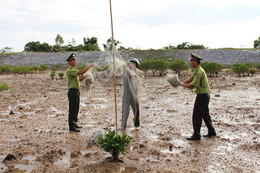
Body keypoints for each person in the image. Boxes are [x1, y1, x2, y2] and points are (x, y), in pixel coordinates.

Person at [180, 53, 216, 140]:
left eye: (192, 61)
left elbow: (192, 85)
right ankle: (212, 132)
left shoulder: (199, 72)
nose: (190, 62)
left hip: (202, 96)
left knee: (197, 115)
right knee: (205, 115)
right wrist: (179, 82)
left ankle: (197, 135)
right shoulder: (197, 70)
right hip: (204, 95)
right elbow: (190, 79)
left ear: (196, 62)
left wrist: (180, 84)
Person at [66, 53, 95, 132]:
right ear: (69, 62)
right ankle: (71, 127)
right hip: (72, 91)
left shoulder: (74, 70)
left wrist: (85, 76)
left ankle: (74, 123)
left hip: (76, 91)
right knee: (72, 109)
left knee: (76, 108)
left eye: (75, 60)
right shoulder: (70, 70)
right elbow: (80, 72)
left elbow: (79, 79)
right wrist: (89, 66)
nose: (75, 61)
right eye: (73, 60)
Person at [119, 58, 142, 130]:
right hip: (126, 94)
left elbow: (138, 78)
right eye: (131, 63)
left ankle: (137, 125)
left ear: (136, 64)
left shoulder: (138, 72)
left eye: (133, 63)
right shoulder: (126, 70)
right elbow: (120, 73)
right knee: (125, 110)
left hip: (134, 94)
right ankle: (123, 125)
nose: (131, 64)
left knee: (136, 110)